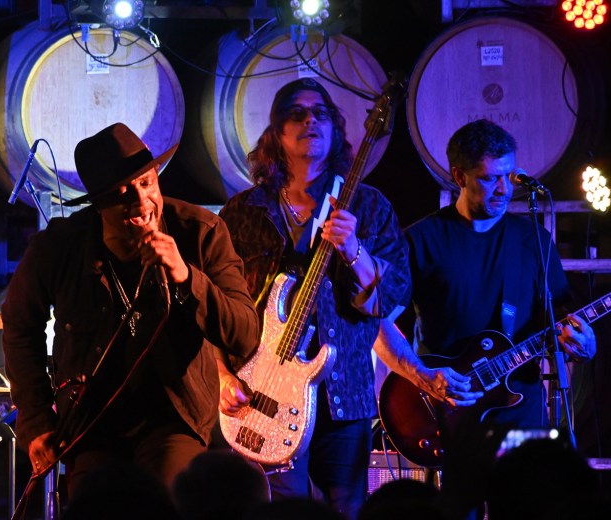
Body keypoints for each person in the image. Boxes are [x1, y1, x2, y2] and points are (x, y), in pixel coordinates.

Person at [0, 123, 260, 496]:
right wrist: (37, 420)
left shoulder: (201, 232)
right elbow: (19, 326)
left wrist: (187, 277)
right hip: (92, 420)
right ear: (100, 203)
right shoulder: (57, 248)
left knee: (164, 500)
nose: (141, 204)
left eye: (146, 184)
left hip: (174, 414)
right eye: (123, 195)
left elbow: (245, 333)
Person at [373, 119, 597, 517]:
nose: (503, 189)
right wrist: (421, 375)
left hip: (521, 415)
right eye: (489, 178)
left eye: (508, 177)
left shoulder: (532, 239)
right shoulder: (422, 240)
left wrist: (584, 343)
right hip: (451, 411)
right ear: (459, 175)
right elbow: (377, 324)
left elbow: (563, 318)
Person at [217, 78, 411, 519]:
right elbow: (215, 309)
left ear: (336, 129)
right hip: (262, 393)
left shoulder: (369, 205)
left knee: (344, 511)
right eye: (297, 114)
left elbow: (394, 295)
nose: (310, 121)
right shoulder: (243, 212)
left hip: (344, 398)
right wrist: (223, 377)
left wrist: (355, 250)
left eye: (320, 113)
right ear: (276, 134)